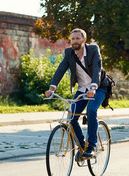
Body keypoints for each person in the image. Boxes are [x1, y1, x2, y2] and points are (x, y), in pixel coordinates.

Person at [45, 28, 108, 158]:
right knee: (71, 117)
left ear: (84, 40)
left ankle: (91, 146)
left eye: (77, 38)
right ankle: (82, 145)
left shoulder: (93, 50)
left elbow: (97, 69)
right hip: (82, 90)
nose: (75, 41)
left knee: (91, 110)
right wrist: (52, 88)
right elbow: (61, 69)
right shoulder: (69, 53)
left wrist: (94, 87)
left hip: (99, 87)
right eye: (72, 39)